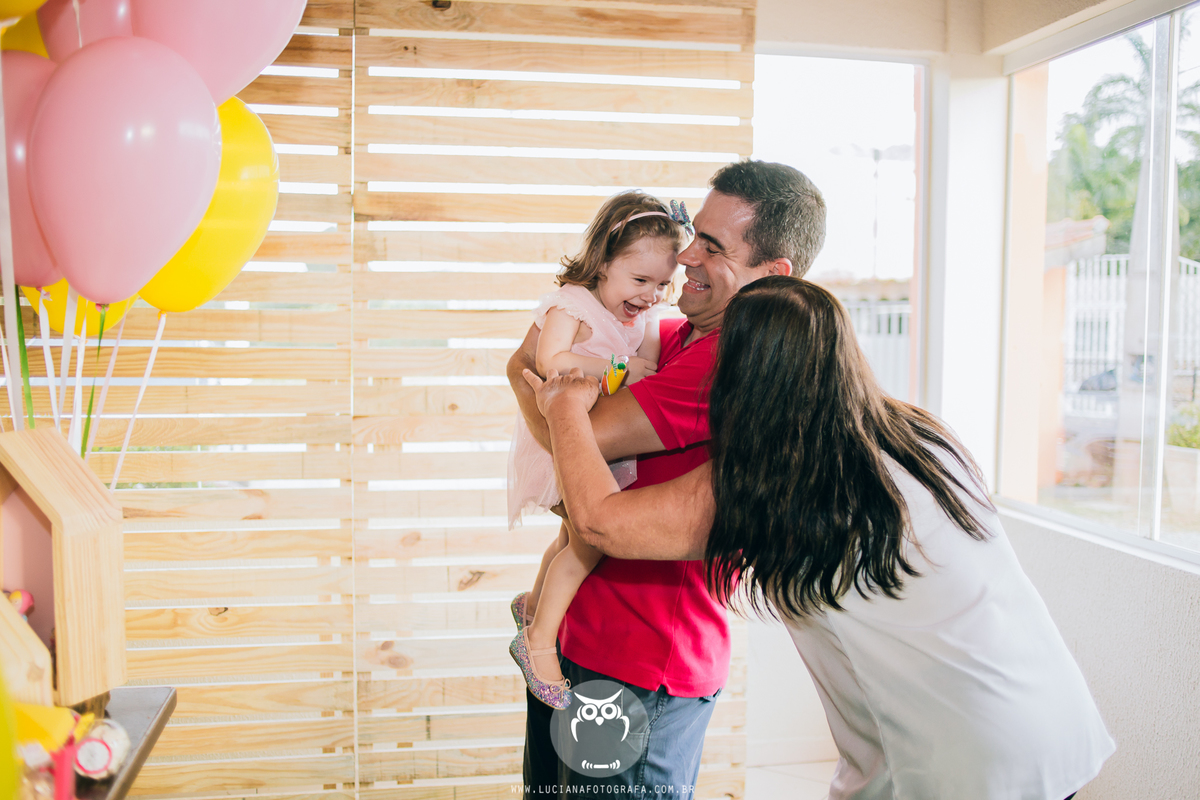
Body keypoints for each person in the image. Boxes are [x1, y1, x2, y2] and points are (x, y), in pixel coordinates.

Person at [524, 276, 1116, 800]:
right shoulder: (916, 434)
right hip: (1050, 717)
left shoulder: (784, 479)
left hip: (965, 758)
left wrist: (564, 405)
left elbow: (600, 522)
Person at [506, 161, 827, 797]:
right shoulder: (676, 335)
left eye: (712, 245)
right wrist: (535, 373)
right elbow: (538, 372)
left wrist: (536, 382)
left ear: (774, 272)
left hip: (638, 662)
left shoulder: (725, 360)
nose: (685, 256)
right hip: (579, 640)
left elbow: (572, 427)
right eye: (693, 235)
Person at [507, 190, 685, 709]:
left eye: (662, 284)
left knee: (570, 534)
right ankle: (539, 641)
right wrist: (619, 368)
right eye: (640, 280)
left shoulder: (644, 318)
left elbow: (651, 371)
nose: (651, 295)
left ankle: (532, 606)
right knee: (589, 543)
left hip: (595, 441)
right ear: (604, 261)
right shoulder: (572, 304)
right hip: (559, 440)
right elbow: (551, 359)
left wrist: (641, 363)